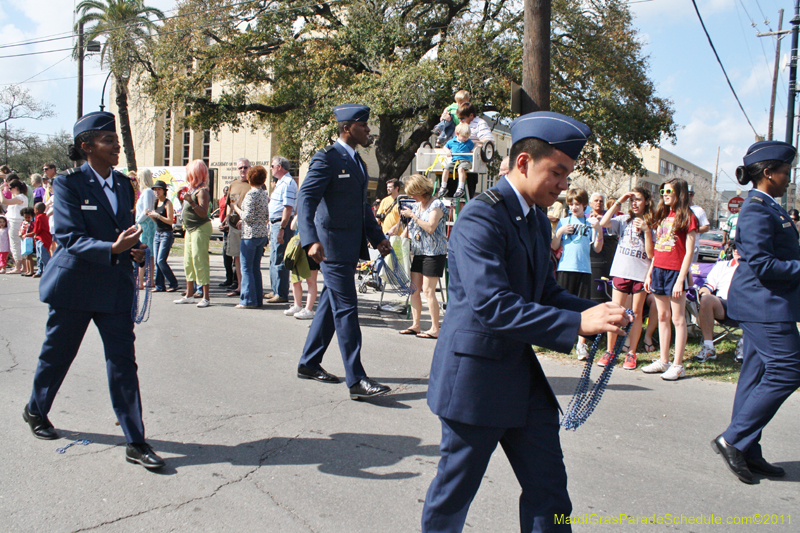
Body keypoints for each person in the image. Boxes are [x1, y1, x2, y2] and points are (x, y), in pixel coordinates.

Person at [421, 111, 629, 533]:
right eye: (557, 172)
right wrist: (577, 325)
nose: (563, 184)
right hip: (475, 382)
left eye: (567, 175)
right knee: (453, 496)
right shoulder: (482, 216)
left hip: (520, 377)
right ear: (523, 163)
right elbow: (493, 305)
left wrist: (595, 314)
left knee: (550, 490)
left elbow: (545, 292)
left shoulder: (533, 216)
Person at [22, 111, 165, 470]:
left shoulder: (122, 184)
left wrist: (135, 249)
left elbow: (124, 228)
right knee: (57, 355)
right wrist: (112, 249)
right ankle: (36, 410)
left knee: (123, 364)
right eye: (108, 141)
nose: (117, 146)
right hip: (74, 286)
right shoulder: (69, 184)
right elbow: (68, 237)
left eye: (117, 141)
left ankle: (135, 439)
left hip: (114, 288)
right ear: (87, 147)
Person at [712, 140, 800, 484]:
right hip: (764, 305)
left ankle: (748, 448)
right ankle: (733, 438)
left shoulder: (769, 206)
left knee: (755, 375)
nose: (788, 178)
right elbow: (763, 264)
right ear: (768, 174)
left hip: (767, 304)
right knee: (788, 370)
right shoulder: (756, 209)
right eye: (785, 172)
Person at [296, 104, 393, 399]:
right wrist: (310, 240)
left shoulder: (359, 164)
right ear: (347, 128)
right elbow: (305, 199)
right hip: (331, 249)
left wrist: (377, 238)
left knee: (330, 304)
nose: (368, 131)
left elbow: (362, 208)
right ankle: (357, 380)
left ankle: (309, 363)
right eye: (363, 125)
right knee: (347, 310)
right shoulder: (326, 159)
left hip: (350, 248)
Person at [642, 178, 699, 381]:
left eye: (669, 191)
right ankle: (663, 360)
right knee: (662, 317)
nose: (665, 194)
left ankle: (678, 365)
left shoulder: (688, 216)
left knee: (678, 319)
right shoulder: (664, 214)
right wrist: (650, 272)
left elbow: (689, 252)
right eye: (663, 190)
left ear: (679, 193)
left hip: (676, 273)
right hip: (659, 270)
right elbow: (658, 248)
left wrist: (680, 280)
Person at [598, 187, 655, 370]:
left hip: (640, 273)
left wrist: (646, 230)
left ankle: (631, 353)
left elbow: (650, 253)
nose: (635, 203)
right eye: (632, 200)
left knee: (636, 314)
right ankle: (610, 351)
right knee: (615, 311)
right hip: (621, 271)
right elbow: (603, 223)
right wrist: (618, 201)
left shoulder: (652, 223)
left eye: (638, 199)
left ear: (646, 201)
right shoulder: (623, 219)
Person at [551, 188, 603, 359]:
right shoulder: (564, 221)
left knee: (584, 308)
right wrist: (559, 232)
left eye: (577, 204)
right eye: (571, 204)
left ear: (584, 205)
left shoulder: (590, 223)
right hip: (565, 268)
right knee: (562, 305)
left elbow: (597, 248)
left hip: (584, 270)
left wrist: (599, 230)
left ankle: (581, 345)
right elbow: (553, 245)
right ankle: (561, 339)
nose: (574, 207)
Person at [398, 173, 447, 339]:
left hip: (434, 253)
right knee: (414, 290)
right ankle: (416, 324)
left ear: (421, 190)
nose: (412, 196)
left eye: (414, 192)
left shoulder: (437, 205)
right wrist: (398, 236)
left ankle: (435, 328)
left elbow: (431, 227)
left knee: (428, 290)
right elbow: (412, 227)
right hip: (419, 251)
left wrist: (413, 216)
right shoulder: (418, 205)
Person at [173, 160, 212, 308]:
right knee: (188, 262)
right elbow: (188, 209)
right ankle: (189, 294)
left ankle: (206, 296)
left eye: (189, 172)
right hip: (189, 229)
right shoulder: (192, 189)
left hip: (200, 227)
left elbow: (203, 213)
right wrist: (181, 199)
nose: (187, 174)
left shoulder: (202, 191)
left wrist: (192, 201)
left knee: (199, 260)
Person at [694, 243, 742, 362]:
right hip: (724, 304)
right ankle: (709, 347)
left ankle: (744, 345)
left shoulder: (754, 267)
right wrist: (703, 295)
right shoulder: (722, 266)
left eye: (740, 247)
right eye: (734, 247)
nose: (736, 250)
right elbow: (707, 287)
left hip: (745, 305)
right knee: (706, 299)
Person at [236, 165, 270, 309]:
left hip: (250, 235)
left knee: (246, 268)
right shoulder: (264, 194)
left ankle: (248, 300)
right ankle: (257, 298)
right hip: (261, 233)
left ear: (250, 179)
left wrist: (236, 209)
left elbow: (247, 216)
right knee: (255, 268)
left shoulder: (251, 194)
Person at [266, 156, 297, 304]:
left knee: (280, 258)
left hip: (281, 223)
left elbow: (288, 207)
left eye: (272, 166)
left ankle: (281, 293)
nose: (271, 168)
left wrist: (282, 228)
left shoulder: (288, 183)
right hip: (275, 223)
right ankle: (275, 290)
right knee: (273, 258)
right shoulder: (280, 183)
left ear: (279, 167)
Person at [224, 158, 252, 297]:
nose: (243, 170)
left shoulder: (255, 183)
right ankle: (240, 286)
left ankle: (249, 287)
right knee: (236, 257)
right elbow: (231, 203)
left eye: (245, 167)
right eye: (240, 167)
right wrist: (227, 216)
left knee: (248, 258)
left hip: (249, 226)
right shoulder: (233, 184)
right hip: (235, 225)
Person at [285, 213, 319, 320]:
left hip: (312, 246)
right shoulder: (303, 211)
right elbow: (292, 226)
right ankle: (297, 305)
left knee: (311, 281)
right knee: (295, 280)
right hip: (299, 248)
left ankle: (308, 309)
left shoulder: (318, 212)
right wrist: (298, 213)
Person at [148, 180, 180, 292]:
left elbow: (170, 221)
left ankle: (173, 283)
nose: (156, 192)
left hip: (166, 234)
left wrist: (158, 215)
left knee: (161, 260)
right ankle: (160, 286)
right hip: (158, 233)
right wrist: (151, 216)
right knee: (157, 261)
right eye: (155, 189)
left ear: (164, 191)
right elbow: (157, 221)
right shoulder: (156, 202)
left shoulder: (167, 203)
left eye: (159, 189)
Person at [588, 191, 613, 304]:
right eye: (596, 201)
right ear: (590, 203)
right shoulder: (585, 216)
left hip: (606, 252)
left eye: (601, 201)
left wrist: (601, 219)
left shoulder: (609, 215)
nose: (599, 203)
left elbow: (614, 225)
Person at [438, 122, 474, 199]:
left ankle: (460, 188)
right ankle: (443, 187)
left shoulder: (469, 142)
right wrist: (447, 151)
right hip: (455, 161)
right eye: (464, 137)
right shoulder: (451, 141)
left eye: (467, 137)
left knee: (460, 169)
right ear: (457, 134)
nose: (466, 139)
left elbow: (474, 147)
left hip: (465, 160)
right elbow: (445, 147)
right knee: (446, 169)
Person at [1, 178, 28, 274]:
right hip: (15, 222)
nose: (9, 190)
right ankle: (23, 266)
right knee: (18, 244)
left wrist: (0, 190)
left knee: (15, 244)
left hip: (15, 222)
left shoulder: (20, 197)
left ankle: (18, 266)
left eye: (10, 188)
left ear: (15, 188)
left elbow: (4, 201)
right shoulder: (19, 197)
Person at [134, 169, 156, 290]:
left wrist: (137, 222)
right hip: (147, 223)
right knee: (149, 253)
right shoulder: (148, 191)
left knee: (144, 251)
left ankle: (141, 279)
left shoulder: (147, 191)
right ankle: (148, 279)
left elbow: (146, 210)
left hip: (146, 224)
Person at [26, 202, 52, 277]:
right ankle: (40, 271)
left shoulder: (39, 217)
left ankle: (46, 271)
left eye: (35, 209)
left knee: (43, 255)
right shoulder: (44, 216)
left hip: (42, 239)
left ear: (38, 210)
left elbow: (37, 229)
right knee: (39, 256)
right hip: (41, 238)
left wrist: (32, 234)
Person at [687, 184, 710, 261]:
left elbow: (706, 227)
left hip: (693, 246)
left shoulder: (698, 210)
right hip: (678, 246)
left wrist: (692, 230)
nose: (685, 197)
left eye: (688, 194)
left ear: (692, 195)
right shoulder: (677, 209)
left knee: (690, 269)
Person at [218, 185, 235, 288]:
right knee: (226, 254)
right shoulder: (222, 200)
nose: (226, 193)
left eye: (227, 192)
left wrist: (229, 225)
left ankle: (235, 280)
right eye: (225, 192)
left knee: (234, 255)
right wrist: (223, 223)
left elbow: (233, 212)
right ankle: (228, 278)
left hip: (233, 227)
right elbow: (224, 214)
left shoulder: (234, 199)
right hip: (225, 227)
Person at [18, 207, 36, 276]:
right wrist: (20, 233)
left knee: (29, 256)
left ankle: (31, 271)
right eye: (26, 217)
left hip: (29, 241)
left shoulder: (32, 223)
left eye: (28, 217)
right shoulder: (23, 223)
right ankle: (27, 270)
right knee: (26, 256)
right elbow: (20, 230)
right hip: (24, 240)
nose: (27, 218)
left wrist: (27, 234)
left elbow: (34, 231)